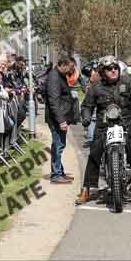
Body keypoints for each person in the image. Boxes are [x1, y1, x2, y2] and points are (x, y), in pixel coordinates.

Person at [76, 56, 131, 204]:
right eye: (109, 69)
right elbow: (87, 105)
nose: (113, 71)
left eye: (115, 68)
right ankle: (86, 190)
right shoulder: (96, 86)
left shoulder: (129, 81)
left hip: (126, 121)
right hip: (104, 124)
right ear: (102, 71)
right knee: (95, 152)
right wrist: (86, 117)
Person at [44, 55, 77, 184]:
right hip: (56, 119)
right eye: (70, 67)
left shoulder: (60, 75)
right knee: (58, 146)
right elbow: (54, 101)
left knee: (59, 145)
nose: (71, 70)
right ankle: (56, 175)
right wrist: (61, 120)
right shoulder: (54, 77)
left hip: (59, 117)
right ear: (63, 65)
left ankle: (60, 172)